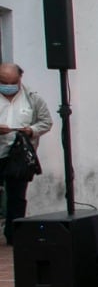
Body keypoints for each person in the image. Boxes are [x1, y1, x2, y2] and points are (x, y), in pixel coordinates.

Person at [0, 63, 53, 245]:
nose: (7, 86)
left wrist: (31, 130)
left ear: (19, 79)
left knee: (17, 196)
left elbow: (46, 122)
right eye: (3, 82)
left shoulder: (32, 98)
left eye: (11, 82)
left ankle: (14, 235)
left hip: (18, 155)